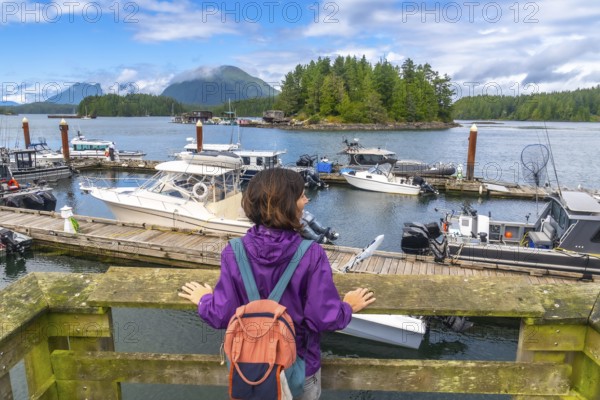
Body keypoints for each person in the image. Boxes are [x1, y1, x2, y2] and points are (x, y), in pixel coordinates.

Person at [179, 168, 375, 399]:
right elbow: (324, 317)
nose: (306, 200)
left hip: (250, 367)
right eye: (302, 196)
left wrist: (204, 299)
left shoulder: (234, 251)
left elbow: (222, 315)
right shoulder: (311, 254)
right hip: (298, 366)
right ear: (289, 205)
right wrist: (348, 306)